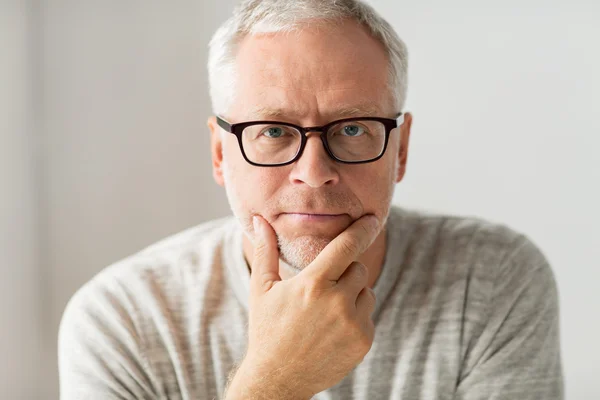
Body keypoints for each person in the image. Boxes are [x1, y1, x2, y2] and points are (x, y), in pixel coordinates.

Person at [58, 0, 564, 399]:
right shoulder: (122, 319)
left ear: (401, 150)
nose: (314, 173)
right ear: (220, 154)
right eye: (274, 130)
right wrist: (273, 386)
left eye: (351, 128)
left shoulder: (491, 278)